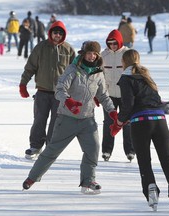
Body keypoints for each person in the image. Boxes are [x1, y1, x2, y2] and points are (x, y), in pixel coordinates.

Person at [22, 41, 116, 195]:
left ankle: (88, 181)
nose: (91, 56)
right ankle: (32, 178)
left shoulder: (99, 73)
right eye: (89, 53)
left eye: (94, 54)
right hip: (67, 118)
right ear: (83, 54)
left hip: (87, 119)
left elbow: (103, 96)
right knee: (52, 151)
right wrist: (69, 101)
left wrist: (112, 111)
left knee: (93, 150)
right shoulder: (73, 69)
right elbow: (59, 90)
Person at [110, 49, 169, 211]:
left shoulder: (126, 78)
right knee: (167, 159)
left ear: (124, 62)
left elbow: (128, 104)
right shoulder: (146, 75)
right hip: (160, 121)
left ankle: (151, 188)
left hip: (141, 122)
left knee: (145, 161)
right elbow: (156, 100)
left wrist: (119, 121)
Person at [19, 21, 75, 160]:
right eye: (55, 33)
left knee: (56, 122)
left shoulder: (68, 50)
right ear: (50, 33)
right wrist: (23, 84)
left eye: (60, 33)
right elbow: (30, 67)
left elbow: (75, 72)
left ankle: (51, 148)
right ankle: (35, 146)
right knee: (39, 120)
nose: (57, 35)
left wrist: (74, 92)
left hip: (60, 93)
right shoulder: (41, 47)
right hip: (42, 91)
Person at [100, 29, 135, 162]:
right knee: (109, 122)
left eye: (115, 43)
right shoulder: (103, 55)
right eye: (110, 43)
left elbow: (135, 72)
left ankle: (130, 150)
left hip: (125, 95)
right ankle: (107, 150)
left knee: (127, 122)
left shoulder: (127, 54)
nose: (113, 46)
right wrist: (99, 93)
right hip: (109, 95)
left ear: (120, 42)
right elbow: (99, 75)